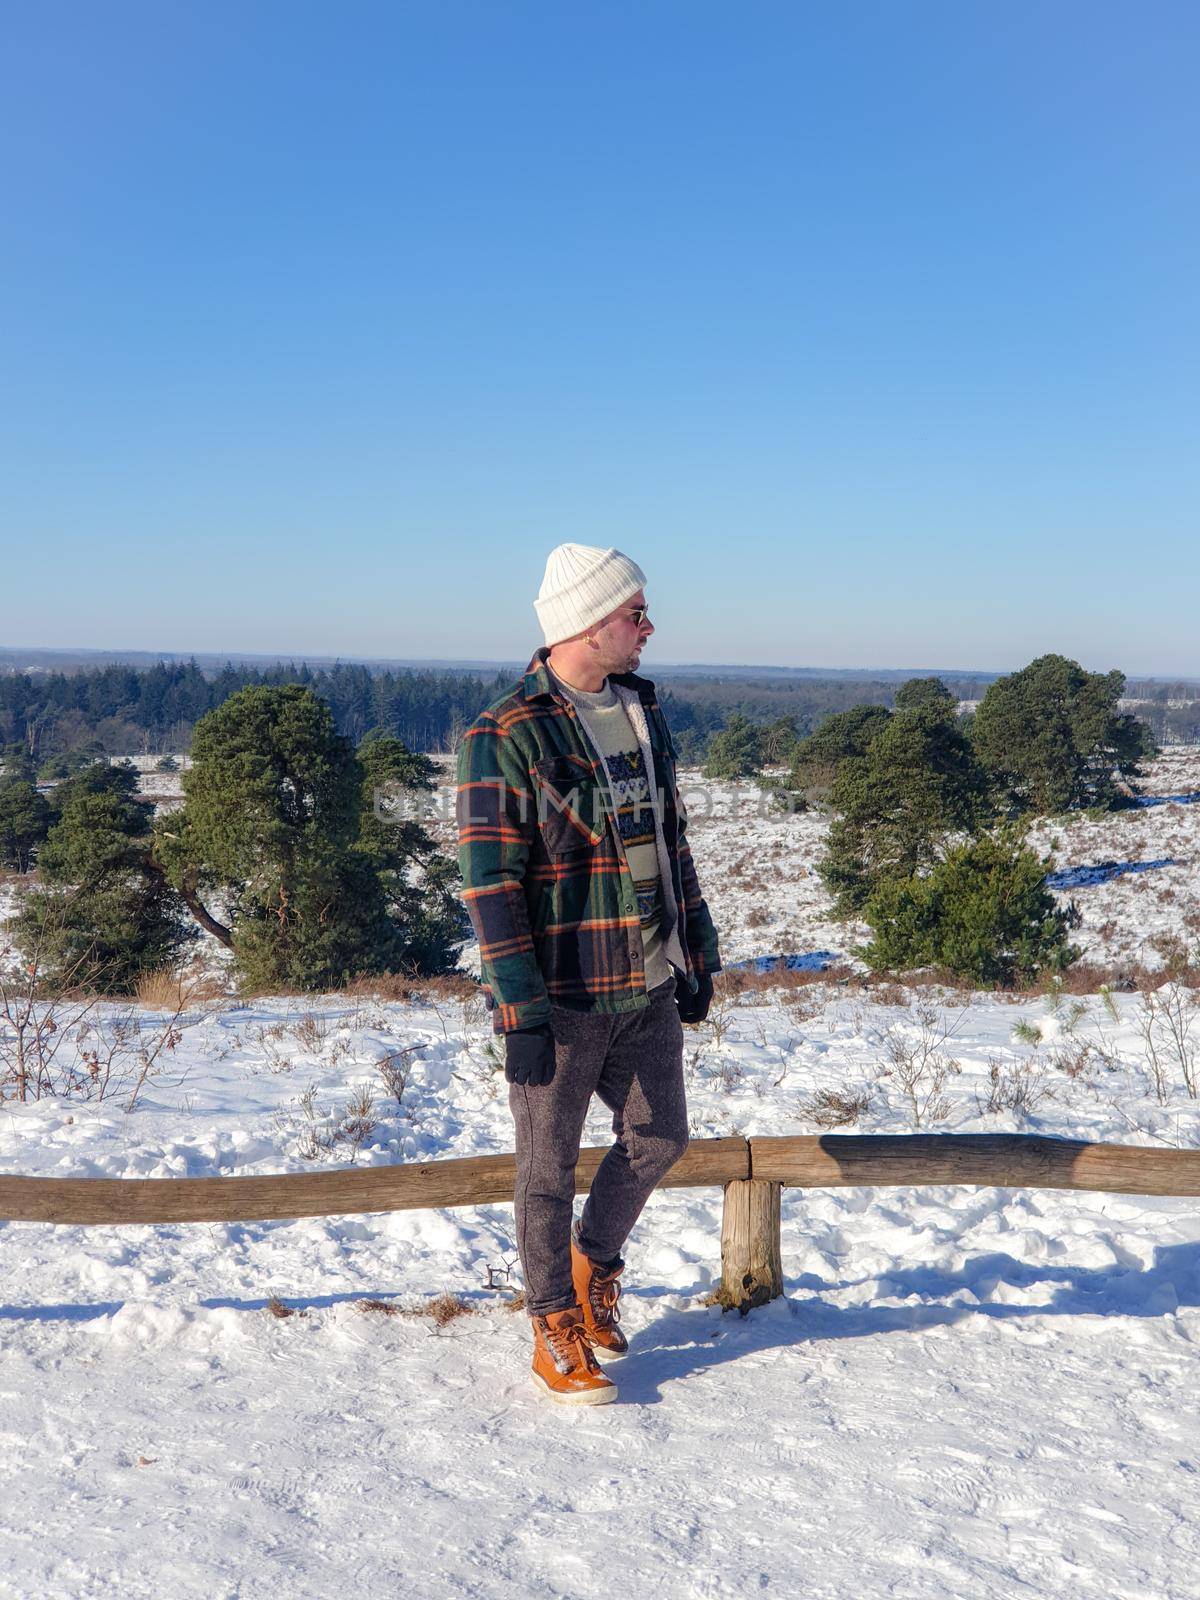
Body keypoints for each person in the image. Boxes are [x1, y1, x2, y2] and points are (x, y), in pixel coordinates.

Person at [456, 542, 721, 1405]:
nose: (650, 628)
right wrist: (520, 1010)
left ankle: (591, 1264)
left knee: (659, 1138)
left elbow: (669, 843)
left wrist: (693, 955)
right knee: (546, 1167)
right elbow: (490, 883)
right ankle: (551, 1321)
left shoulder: (642, 713)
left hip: (644, 980)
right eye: (634, 613)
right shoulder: (504, 734)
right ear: (585, 622)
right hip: (561, 995)